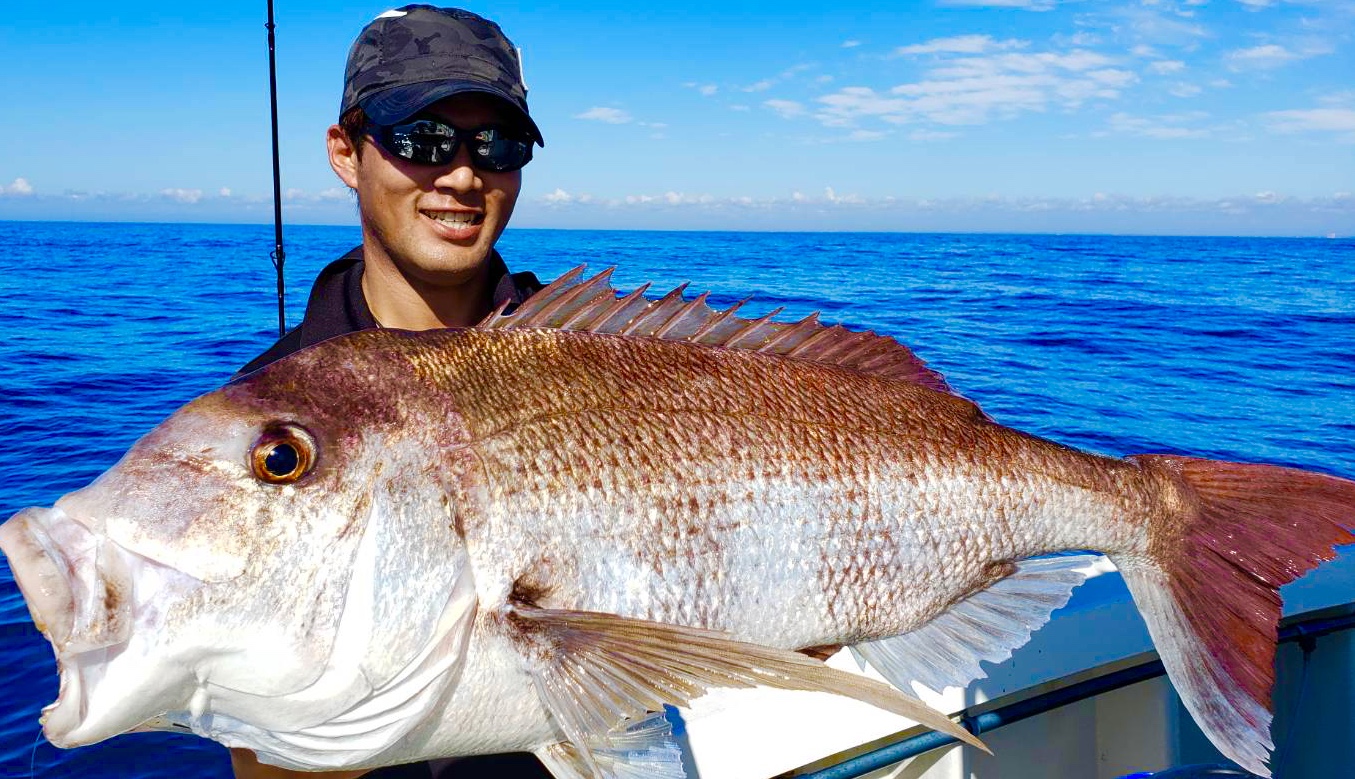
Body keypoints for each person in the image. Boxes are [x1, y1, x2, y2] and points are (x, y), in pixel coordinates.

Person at [233, 6, 552, 779]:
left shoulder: (602, 357)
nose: (464, 175)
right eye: (423, 140)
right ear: (347, 152)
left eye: (497, 145)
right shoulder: (270, 424)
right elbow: (260, 758)